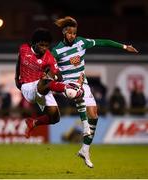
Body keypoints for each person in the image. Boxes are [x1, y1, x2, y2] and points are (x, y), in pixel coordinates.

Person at [51, 16, 138, 168]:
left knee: (94, 114)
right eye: (70, 33)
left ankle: (85, 150)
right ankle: (85, 126)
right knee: (75, 93)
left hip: (83, 83)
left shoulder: (81, 42)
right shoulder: (57, 50)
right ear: (64, 32)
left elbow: (103, 42)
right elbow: (49, 66)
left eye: (74, 33)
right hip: (67, 84)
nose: (73, 35)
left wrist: (124, 47)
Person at [15, 28, 84, 138]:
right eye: (41, 45)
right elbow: (19, 62)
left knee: (55, 118)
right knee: (44, 81)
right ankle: (68, 88)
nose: (44, 48)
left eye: (46, 46)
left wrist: (55, 76)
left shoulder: (49, 58)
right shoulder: (24, 49)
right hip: (28, 87)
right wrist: (16, 79)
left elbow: (58, 76)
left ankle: (33, 123)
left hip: (42, 87)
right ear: (34, 43)